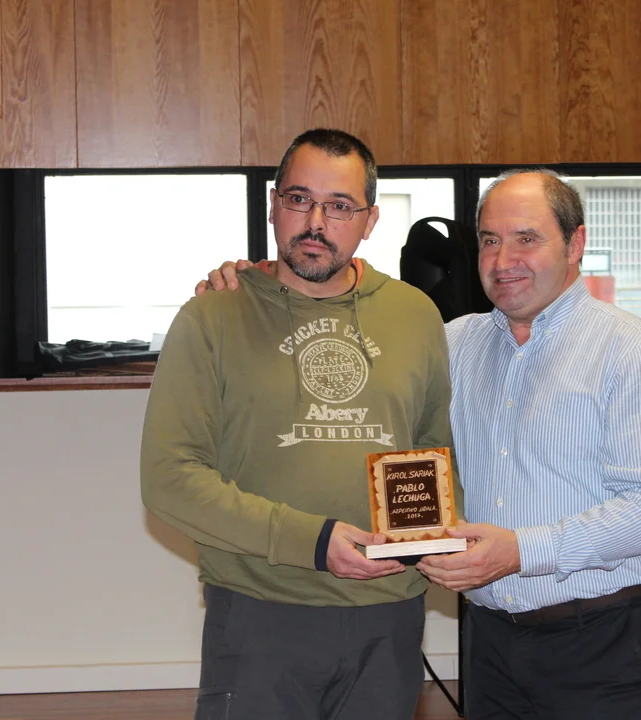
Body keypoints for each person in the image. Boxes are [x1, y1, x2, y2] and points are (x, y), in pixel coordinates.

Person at [198, 169, 641, 719]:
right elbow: (345, 329)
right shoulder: (453, 342)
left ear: (575, 244)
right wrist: (264, 285)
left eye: (527, 238)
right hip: (489, 643)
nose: (503, 260)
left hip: (604, 640)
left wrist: (522, 551)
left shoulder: (630, 351)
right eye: (490, 240)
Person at [142, 128, 457, 720]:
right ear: (273, 205)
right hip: (261, 610)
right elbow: (169, 478)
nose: (315, 222)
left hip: (387, 615)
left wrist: (427, 544)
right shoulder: (213, 315)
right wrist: (310, 541)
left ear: (369, 221)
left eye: (339, 206)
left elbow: (431, 452)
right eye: (298, 199)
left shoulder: (415, 314)